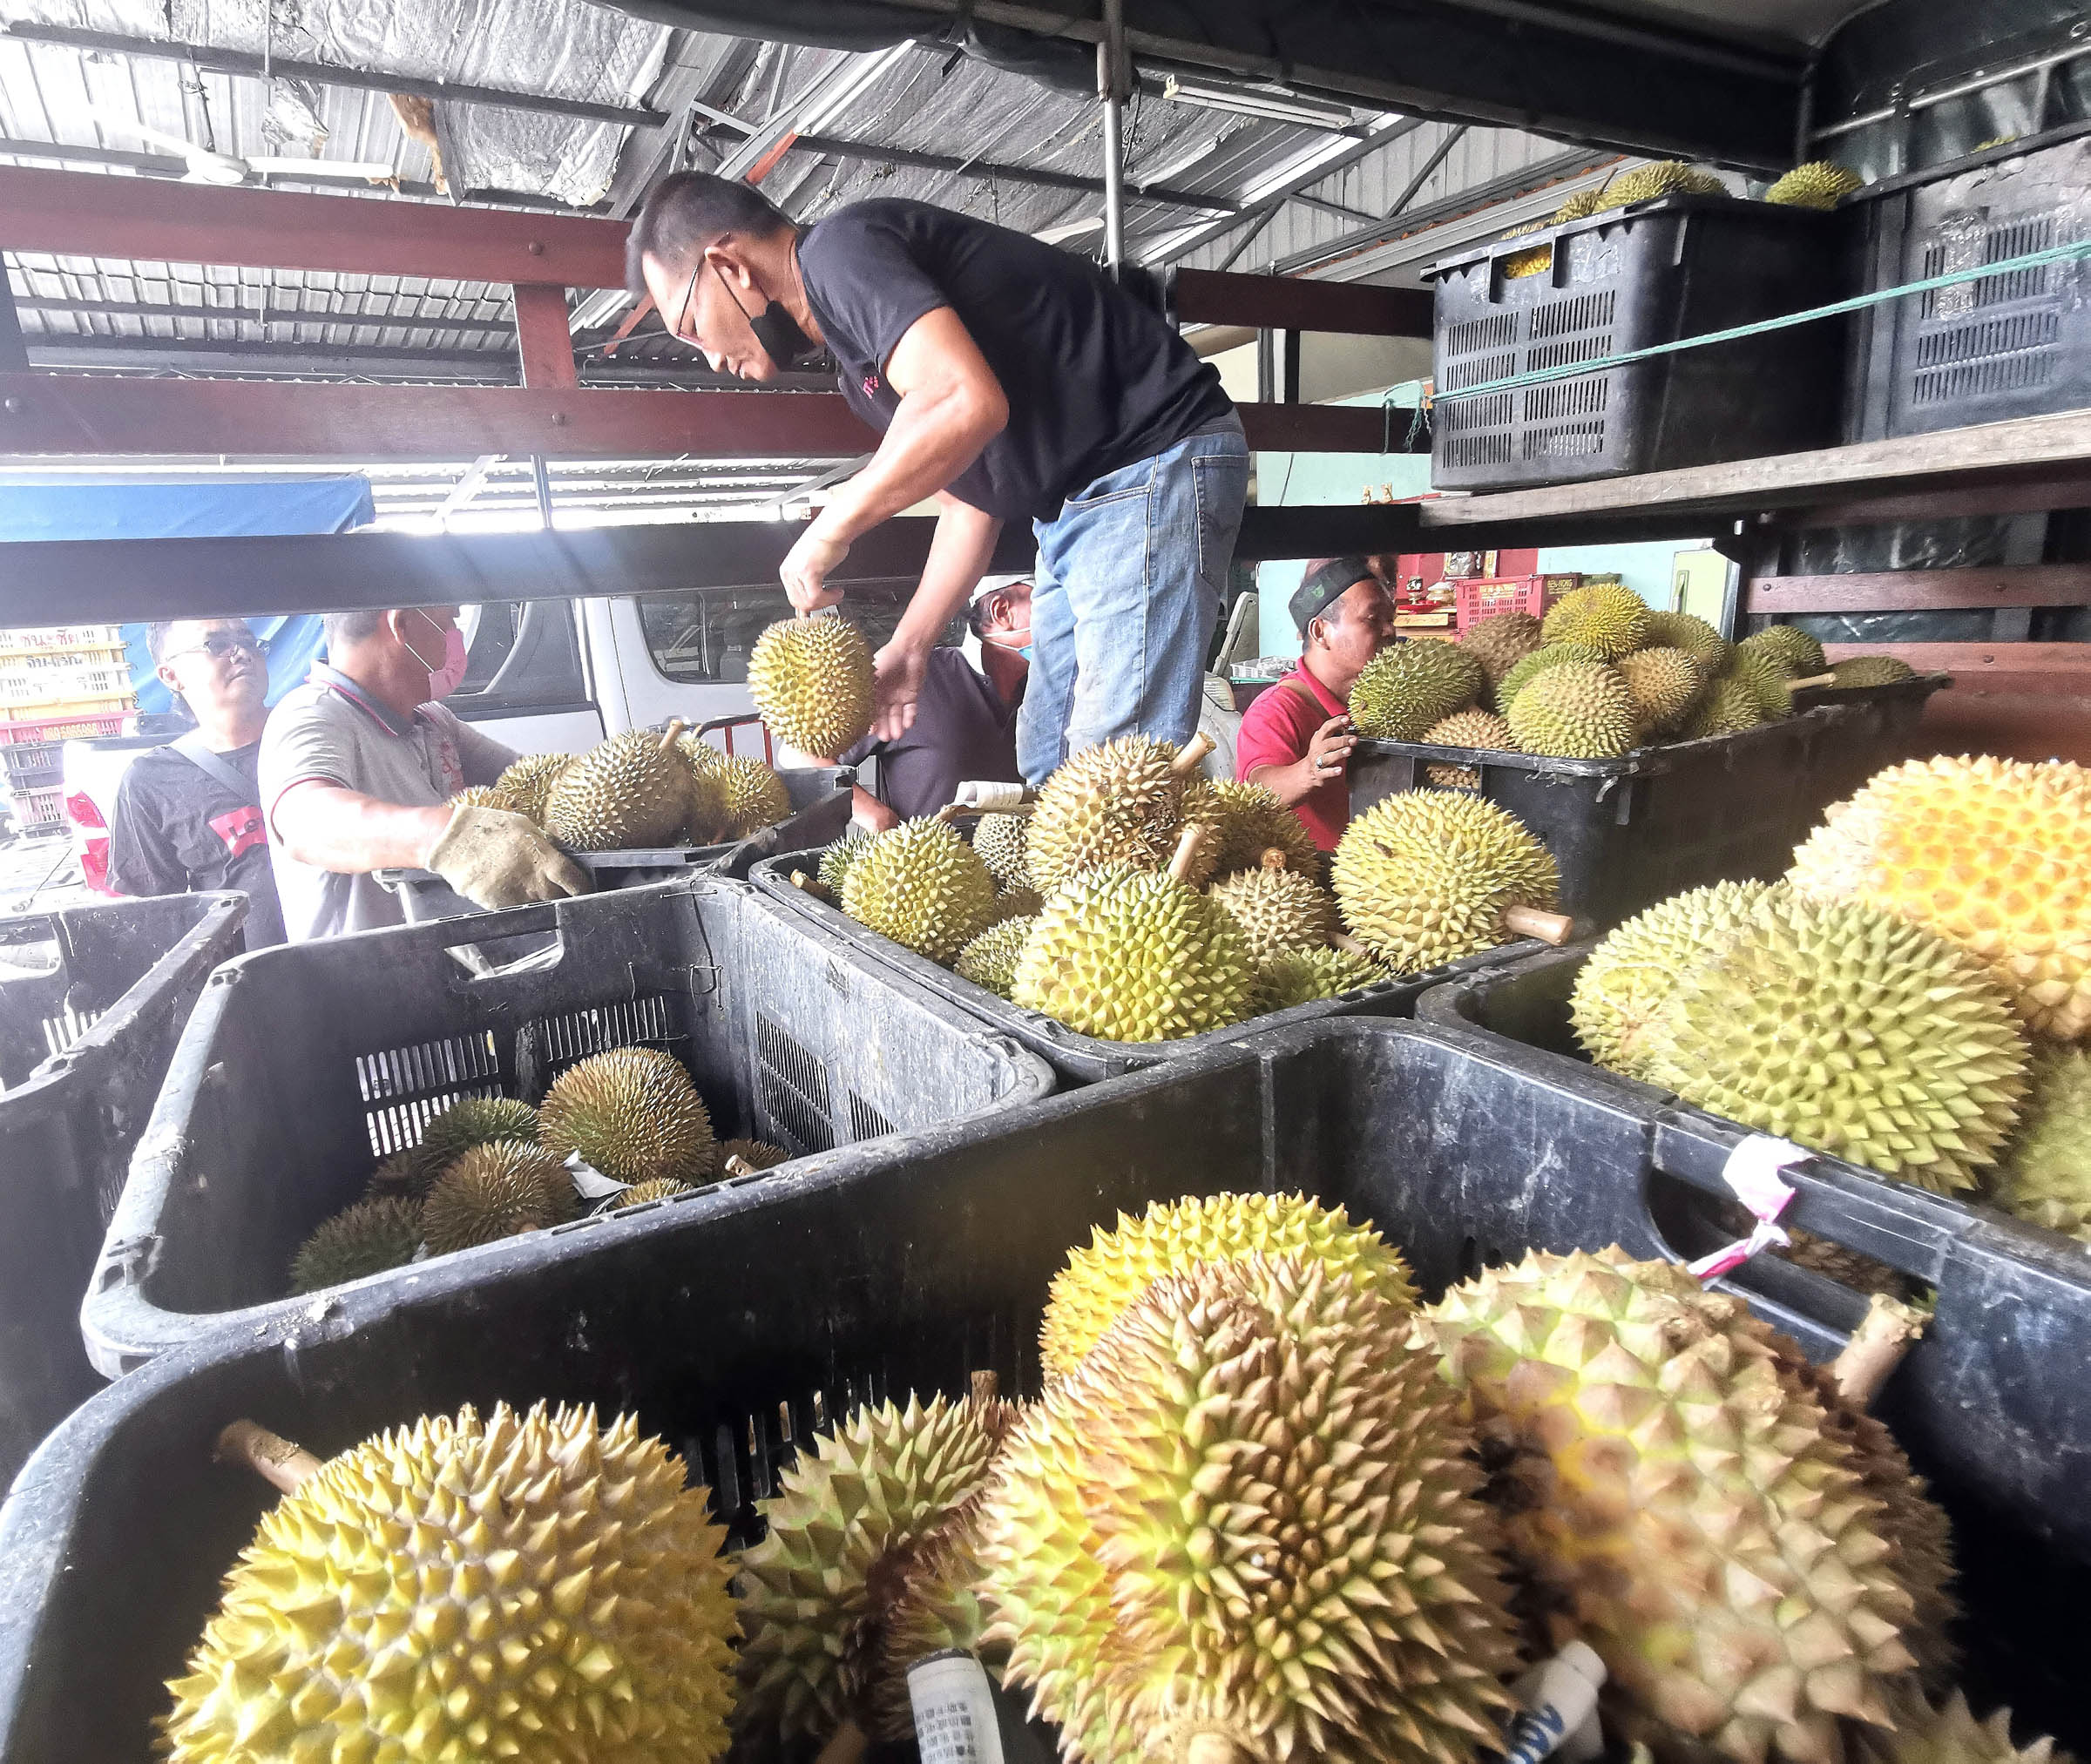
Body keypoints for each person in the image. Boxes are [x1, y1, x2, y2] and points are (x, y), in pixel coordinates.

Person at [626, 174, 1248, 787]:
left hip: (1149, 463)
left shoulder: (841, 254)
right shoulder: (858, 368)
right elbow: (967, 506)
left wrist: (831, 528)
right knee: (1044, 756)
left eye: (689, 326)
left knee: (1110, 777)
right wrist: (911, 646)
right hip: (1077, 506)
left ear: (728, 267)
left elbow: (964, 400)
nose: (708, 357)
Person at [260, 607, 587, 942]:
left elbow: (536, 781)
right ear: (401, 625)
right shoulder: (312, 713)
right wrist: (451, 836)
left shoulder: (433, 721)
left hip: (446, 962)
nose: (455, 639)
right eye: (449, 622)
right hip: (365, 981)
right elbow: (306, 823)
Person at [107, 618, 288, 946]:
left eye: (248, 641)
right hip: (248, 983)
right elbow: (158, 917)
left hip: (357, 959)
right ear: (170, 675)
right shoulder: (150, 780)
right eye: (216, 646)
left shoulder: (318, 733)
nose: (241, 654)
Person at [1233, 557, 1397, 853]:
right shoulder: (1276, 709)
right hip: (1315, 879)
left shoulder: (1384, 698)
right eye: (1373, 619)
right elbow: (1257, 788)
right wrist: (1308, 770)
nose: (1389, 632)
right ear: (1320, 632)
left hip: (1384, 866)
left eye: (1391, 620)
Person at [840, 578, 1031, 828]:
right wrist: (879, 818)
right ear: (1001, 610)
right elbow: (804, 758)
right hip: (924, 863)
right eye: (1048, 600)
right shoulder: (914, 679)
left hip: (1016, 864)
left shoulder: (1043, 692)